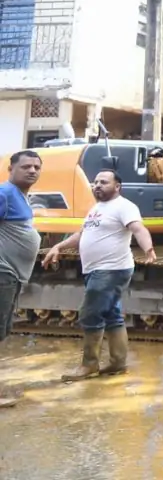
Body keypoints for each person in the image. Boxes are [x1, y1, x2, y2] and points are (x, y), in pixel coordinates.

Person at [44, 170, 156, 382]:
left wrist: (148, 249)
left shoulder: (124, 206)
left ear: (117, 186)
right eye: (95, 182)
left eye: (103, 182)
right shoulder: (97, 208)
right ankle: (117, 364)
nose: (97, 185)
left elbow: (138, 228)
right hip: (96, 269)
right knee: (111, 314)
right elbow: (82, 234)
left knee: (90, 314)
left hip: (111, 269)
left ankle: (89, 365)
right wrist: (59, 246)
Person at [0, 151, 42, 408]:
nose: (32, 170)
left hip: (11, 274)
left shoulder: (21, 196)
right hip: (2, 271)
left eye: (37, 166)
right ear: (11, 168)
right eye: (26, 166)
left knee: (2, 330)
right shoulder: (5, 193)